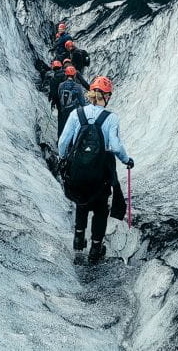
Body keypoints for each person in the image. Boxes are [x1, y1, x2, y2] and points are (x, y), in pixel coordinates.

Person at [58, 76, 135, 264]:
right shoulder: (111, 118)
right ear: (106, 96)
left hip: (78, 172)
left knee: (81, 203)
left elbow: (63, 142)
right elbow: (115, 147)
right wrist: (127, 160)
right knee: (100, 209)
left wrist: (64, 160)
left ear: (91, 93)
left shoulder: (77, 114)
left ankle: (78, 241)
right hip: (100, 174)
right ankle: (95, 247)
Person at [56, 66, 86, 138]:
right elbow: (82, 102)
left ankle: (60, 141)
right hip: (73, 110)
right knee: (72, 127)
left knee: (62, 126)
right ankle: (71, 144)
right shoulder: (78, 86)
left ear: (66, 75)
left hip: (63, 110)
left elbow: (60, 96)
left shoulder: (61, 85)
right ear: (74, 75)